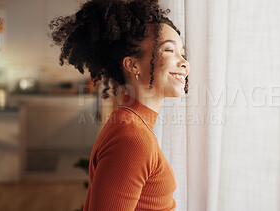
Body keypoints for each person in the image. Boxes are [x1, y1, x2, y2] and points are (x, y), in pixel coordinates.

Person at [49, 0, 190, 210]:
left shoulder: (132, 125)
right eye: (169, 50)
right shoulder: (132, 139)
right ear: (133, 65)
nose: (184, 63)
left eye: (183, 53)